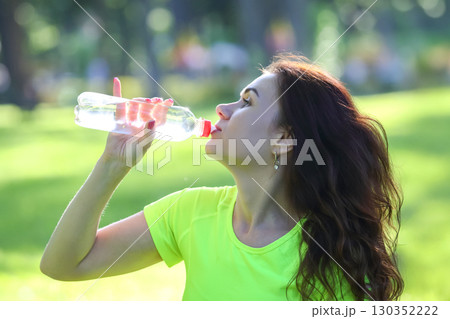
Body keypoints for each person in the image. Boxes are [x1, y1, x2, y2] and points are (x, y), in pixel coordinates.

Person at [40, 54, 403, 301]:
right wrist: (111, 165)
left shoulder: (328, 256)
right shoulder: (188, 212)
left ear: (284, 139)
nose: (221, 109)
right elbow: (62, 265)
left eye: (247, 102)